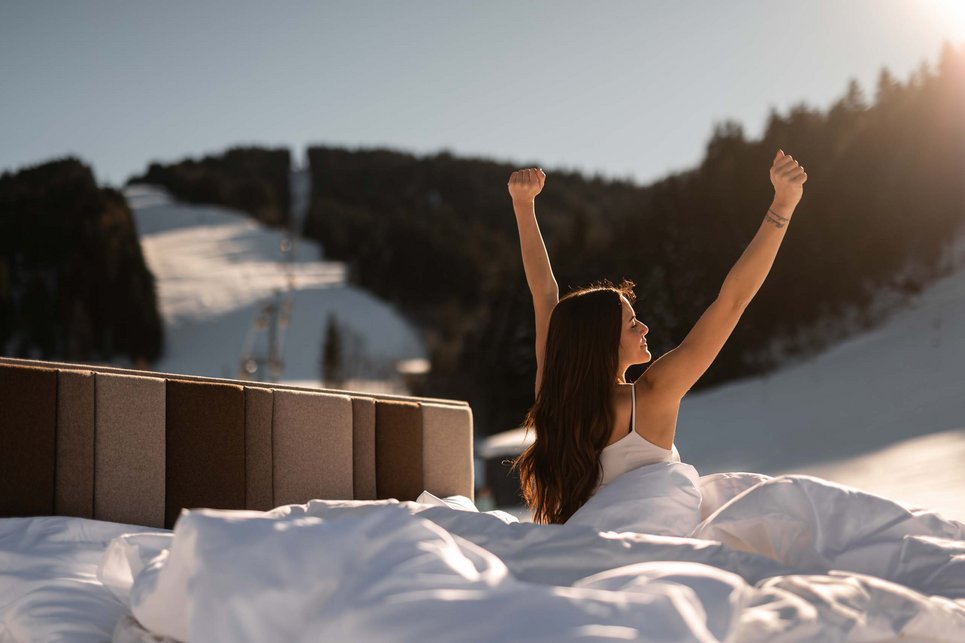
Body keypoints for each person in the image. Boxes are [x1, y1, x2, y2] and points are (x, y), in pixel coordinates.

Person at [508, 151, 808, 524]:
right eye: (632, 323)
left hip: (575, 542)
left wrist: (523, 206)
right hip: (653, 550)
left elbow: (544, 294)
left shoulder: (553, 395)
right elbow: (733, 300)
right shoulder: (650, 395)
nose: (644, 328)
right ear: (603, 342)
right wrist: (782, 206)